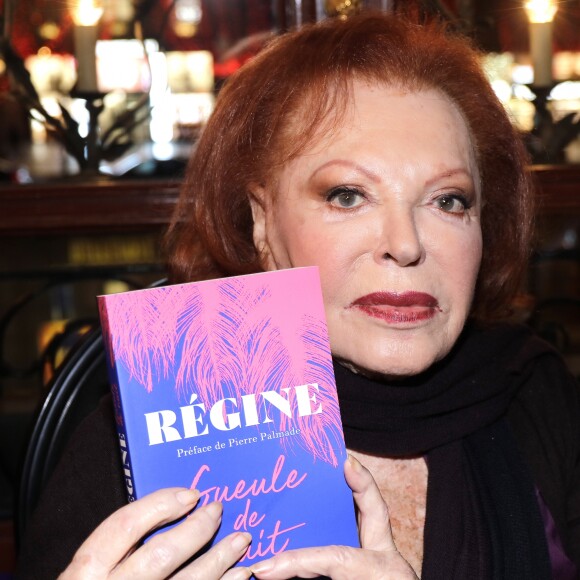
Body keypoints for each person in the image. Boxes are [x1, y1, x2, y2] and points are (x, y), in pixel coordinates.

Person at [17, 11, 580, 579]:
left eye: (449, 201)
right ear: (262, 224)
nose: (405, 245)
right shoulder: (141, 442)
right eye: (348, 195)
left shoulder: (536, 392)